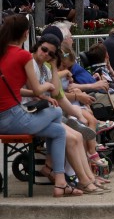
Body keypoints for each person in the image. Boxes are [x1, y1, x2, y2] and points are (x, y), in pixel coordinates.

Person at [0, 16, 104, 197]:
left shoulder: (2, 52)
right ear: (26, 34)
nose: (47, 55)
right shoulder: (23, 55)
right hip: (16, 117)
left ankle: (60, 183)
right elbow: (39, 90)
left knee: (58, 131)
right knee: (55, 111)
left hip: (5, 118)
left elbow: (18, 89)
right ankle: (57, 169)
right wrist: (47, 87)